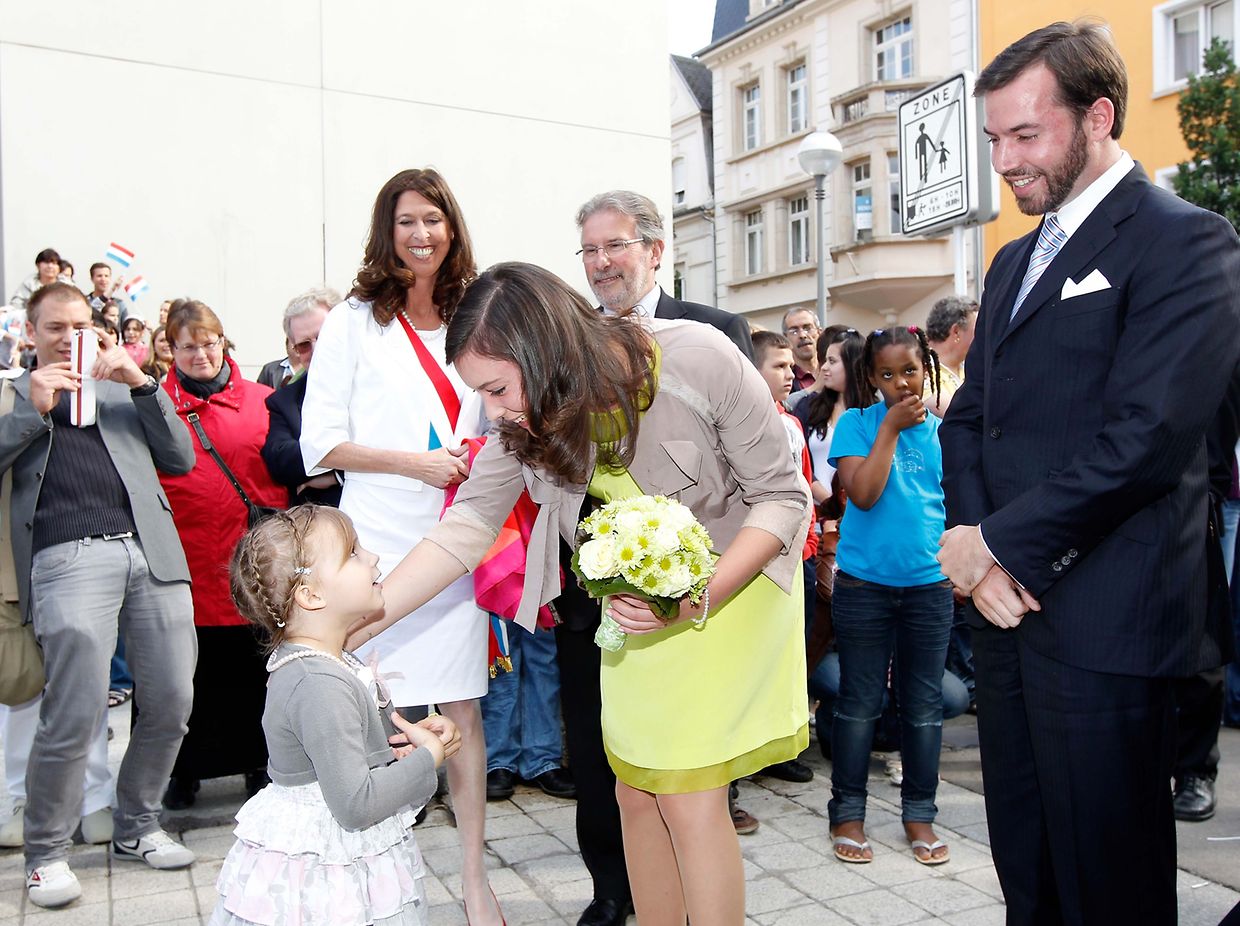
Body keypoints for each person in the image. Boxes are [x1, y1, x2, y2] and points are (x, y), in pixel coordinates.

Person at [350, 262, 810, 926]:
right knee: (634, 794)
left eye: (498, 389)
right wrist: (360, 620)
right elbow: (464, 529)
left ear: (547, 353)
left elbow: (783, 497)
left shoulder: (697, 357)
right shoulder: (526, 421)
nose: (495, 411)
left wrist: (695, 597)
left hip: (731, 590)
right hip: (636, 609)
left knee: (687, 796)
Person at [936, 21, 1240, 924]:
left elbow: (1148, 439)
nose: (1005, 161)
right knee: (1028, 875)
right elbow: (970, 420)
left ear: (1099, 116)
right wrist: (976, 550)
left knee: (1111, 889)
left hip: (1110, 623)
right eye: (994, 139)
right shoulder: (1011, 260)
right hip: (1006, 617)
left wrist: (997, 546)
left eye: (1026, 135)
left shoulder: (1187, 240)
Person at [300, 167, 501, 925]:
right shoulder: (354, 320)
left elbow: (504, 411)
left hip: (456, 537)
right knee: (369, 712)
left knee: (463, 711)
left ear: (453, 228)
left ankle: (475, 879)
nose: (421, 234)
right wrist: (415, 463)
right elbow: (319, 444)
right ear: (387, 231)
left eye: (434, 219)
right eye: (406, 220)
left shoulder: (479, 311)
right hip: (376, 546)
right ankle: (374, 876)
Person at [1, 283, 197, 908]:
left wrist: (141, 383)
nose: (69, 338)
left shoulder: (120, 387)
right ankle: (46, 854)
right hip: (67, 556)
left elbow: (181, 457)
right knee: (76, 709)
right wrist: (29, 411)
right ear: (30, 333)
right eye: (55, 327)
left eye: (79, 325)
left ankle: (137, 824)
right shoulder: (13, 394)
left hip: (151, 550)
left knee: (172, 699)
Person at [210, 506, 461, 926]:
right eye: (353, 554)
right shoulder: (317, 683)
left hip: (345, 852)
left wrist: (411, 741)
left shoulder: (332, 661)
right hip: (329, 871)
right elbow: (356, 803)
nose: (373, 558)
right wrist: (428, 758)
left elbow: (362, 752)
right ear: (311, 596)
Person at [825, 325, 952, 865]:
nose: (901, 383)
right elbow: (864, 494)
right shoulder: (857, 424)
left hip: (928, 587)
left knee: (923, 706)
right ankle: (848, 814)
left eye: (910, 371)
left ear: (926, 369)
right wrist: (891, 430)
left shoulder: (944, 431)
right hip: (864, 586)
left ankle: (920, 814)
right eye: (887, 374)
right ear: (871, 378)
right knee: (860, 703)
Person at [158, 300, 289, 810]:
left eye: (208, 343)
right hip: (184, 563)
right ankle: (182, 770)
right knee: (185, 676)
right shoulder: (155, 405)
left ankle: (259, 763)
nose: (201, 355)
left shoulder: (262, 401)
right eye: (188, 347)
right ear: (171, 351)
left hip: (249, 563)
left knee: (250, 672)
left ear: (223, 342)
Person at [262, 288, 343, 507]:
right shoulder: (284, 401)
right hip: (323, 520)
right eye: (304, 345)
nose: (316, 349)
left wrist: (338, 475)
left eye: (323, 336)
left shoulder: (380, 384)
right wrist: (351, 458)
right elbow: (279, 461)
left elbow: (391, 444)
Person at [924, 295, 977, 418]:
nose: (984, 335)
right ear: (956, 331)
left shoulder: (970, 367)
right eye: (978, 329)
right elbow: (958, 415)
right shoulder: (921, 368)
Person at [8, 249, 70, 320]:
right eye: (46, 262)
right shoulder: (29, 284)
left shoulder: (67, 285)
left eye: (54, 263)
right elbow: (16, 305)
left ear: (59, 267)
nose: (50, 266)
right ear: (38, 265)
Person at [781, 308, 820, 393]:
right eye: (794, 331)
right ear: (785, 338)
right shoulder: (783, 380)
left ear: (819, 332)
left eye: (807, 328)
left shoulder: (836, 370)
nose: (802, 335)